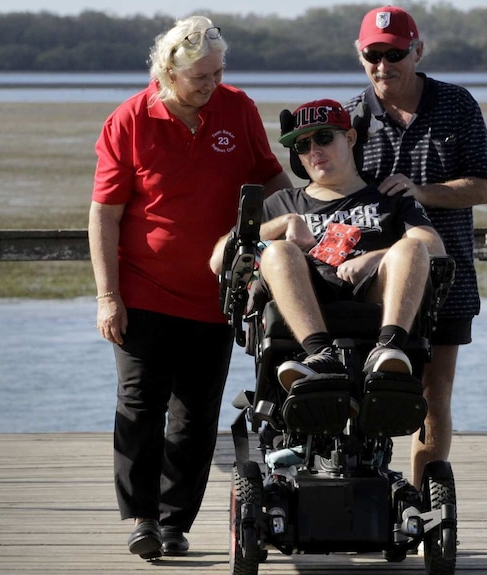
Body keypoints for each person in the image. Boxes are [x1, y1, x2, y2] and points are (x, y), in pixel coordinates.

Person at [88, 15, 291, 561]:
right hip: (144, 290)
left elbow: (271, 178)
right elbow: (104, 216)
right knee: (139, 404)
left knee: (196, 414)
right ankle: (140, 519)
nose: (211, 85)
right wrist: (108, 296)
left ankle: (175, 523)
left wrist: (307, 217)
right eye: (201, 77)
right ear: (168, 72)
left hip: (218, 293)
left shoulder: (237, 108)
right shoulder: (129, 120)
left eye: (218, 73)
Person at [345, 5, 487, 488]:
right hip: (370, 284)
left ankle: (423, 505)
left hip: (446, 281)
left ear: (418, 51)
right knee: (358, 391)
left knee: (434, 395)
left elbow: (482, 186)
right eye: (373, 54)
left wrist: (420, 191)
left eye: (395, 54)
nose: (383, 65)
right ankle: (359, 497)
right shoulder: (350, 118)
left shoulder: (457, 103)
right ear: (359, 54)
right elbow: (329, 198)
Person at [212, 99, 445, 392]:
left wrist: (374, 257)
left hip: (373, 290)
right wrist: (284, 223)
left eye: (323, 138)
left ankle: (388, 349)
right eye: (302, 146)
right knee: (278, 251)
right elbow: (218, 261)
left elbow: (433, 246)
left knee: (411, 247)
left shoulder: (389, 196)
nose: (314, 151)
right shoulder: (284, 202)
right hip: (309, 288)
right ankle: (320, 354)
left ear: (349, 138)